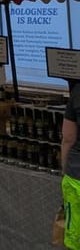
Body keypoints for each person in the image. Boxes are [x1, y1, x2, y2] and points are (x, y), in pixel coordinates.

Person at [61, 81, 80, 250]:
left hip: (77, 177)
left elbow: (68, 138)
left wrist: (64, 168)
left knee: (75, 237)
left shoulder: (78, 91)